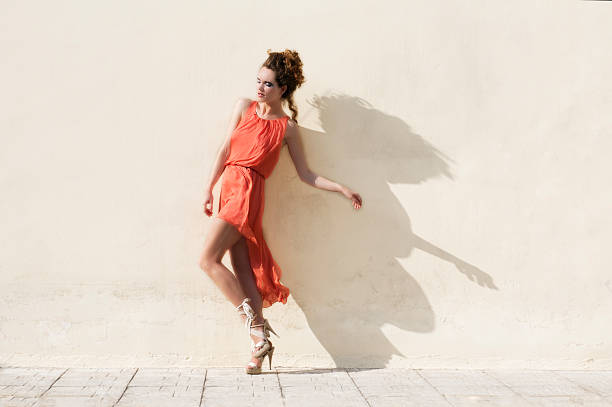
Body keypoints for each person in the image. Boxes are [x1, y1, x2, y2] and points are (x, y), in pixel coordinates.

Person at [199, 49, 363, 375]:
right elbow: (224, 149)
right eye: (258, 81)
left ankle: (256, 331)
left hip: (247, 194)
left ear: (283, 89)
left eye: (268, 84)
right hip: (228, 187)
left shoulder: (286, 128)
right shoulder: (243, 107)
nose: (260, 88)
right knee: (244, 271)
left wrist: (342, 188)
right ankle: (259, 348)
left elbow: (306, 174)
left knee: (207, 260)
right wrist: (209, 187)